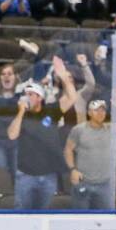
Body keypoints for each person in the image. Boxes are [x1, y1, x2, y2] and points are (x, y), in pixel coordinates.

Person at [6, 62, 78, 209]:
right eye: (25, 95)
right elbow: (12, 135)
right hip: (25, 175)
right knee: (21, 215)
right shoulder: (21, 116)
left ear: (39, 97)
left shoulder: (51, 111)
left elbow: (72, 97)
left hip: (49, 175)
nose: (26, 98)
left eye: (30, 95)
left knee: (47, 216)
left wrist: (64, 76)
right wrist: (20, 112)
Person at [63, 98, 116, 209]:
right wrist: (73, 170)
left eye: (103, 110)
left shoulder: (110, 129)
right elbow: (68, 150)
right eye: (97, 110)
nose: (101, 113)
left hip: (105, 185)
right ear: (89, 113)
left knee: (106, 220)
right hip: (83, 182)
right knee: (81, 220)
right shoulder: (78, 130)